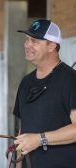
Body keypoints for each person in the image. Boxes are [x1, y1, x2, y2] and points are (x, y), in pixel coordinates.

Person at [13, 19, 76, 168]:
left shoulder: (70, 80)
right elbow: (23, 130)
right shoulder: (25, 82)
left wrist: (40, 139)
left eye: (34, 41)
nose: (27, 44)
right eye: (27, 39)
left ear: (51, 46)